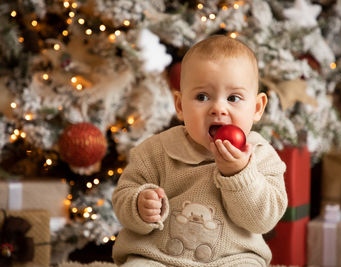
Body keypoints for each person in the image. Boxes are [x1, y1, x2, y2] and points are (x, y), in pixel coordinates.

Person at [112, 35, 288, 267]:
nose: (218, 108)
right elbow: (123, 197)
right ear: (180, 106)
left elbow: (262, 221)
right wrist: (139, 204)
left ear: (256, 108)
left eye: (233, 98)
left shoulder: (262, 156)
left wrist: (239, 174)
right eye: (202, 97)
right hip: (158, 257)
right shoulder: (155, 150)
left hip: (233, 259)